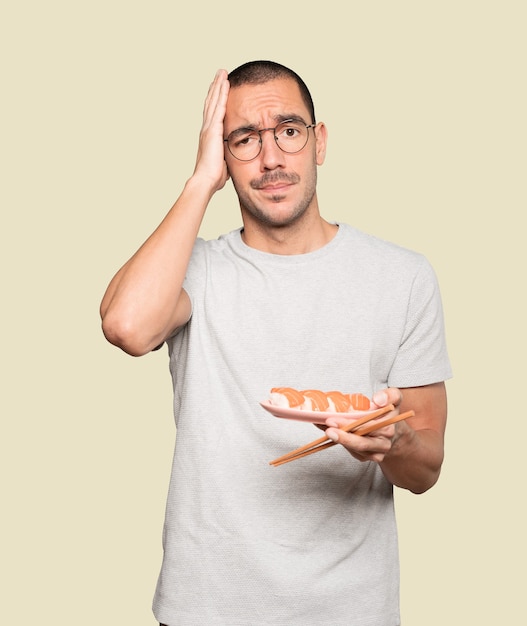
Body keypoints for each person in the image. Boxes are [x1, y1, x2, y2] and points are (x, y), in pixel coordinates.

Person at [100, 60, 452, 626]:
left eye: (289, 131)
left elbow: (428, 466)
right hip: (206, 607)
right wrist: (199, 183)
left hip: (352, 610)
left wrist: (396, 442)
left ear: (320, 142)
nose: (270, 158)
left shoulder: (403, 276)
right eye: (244, 139)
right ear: (222, 156)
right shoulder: (196, 271)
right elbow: (126, 327)